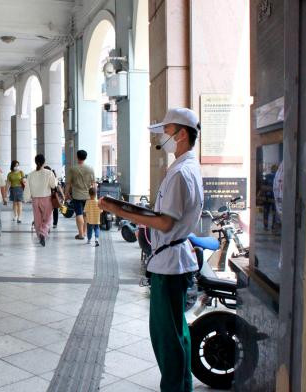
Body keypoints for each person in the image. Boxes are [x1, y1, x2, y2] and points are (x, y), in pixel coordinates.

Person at [99, 108, 203, 392]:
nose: (163, 137)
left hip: (170, 264)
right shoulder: (186, 167)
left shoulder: (181, 172)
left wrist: (119, 211)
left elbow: (165, 222)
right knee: (176, 332)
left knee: (166, 336)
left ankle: (175, 387)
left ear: (182, 134)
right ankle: (181, 385)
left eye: (167, 131)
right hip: (171, 261)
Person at [24, 154, 57, 247]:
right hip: (46, 198)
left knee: (37, 219)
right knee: (47, 218)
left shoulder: (30, 175)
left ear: (35, 162)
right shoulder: (49, 172)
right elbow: (53, 185)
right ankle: (43, 233)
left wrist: (26, 198)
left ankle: (39, 235)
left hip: (35, 199)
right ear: (44, 162)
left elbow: (27, 188)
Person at [65, 150, 96, 240]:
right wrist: (94, 196)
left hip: (77, 195)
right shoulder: (90, 169)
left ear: (77, 157)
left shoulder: (73, 169)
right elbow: (94, 183)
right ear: (85, 157)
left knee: (79, 213)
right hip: (88, 196)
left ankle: (80, 234)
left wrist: (66, 193)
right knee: (85, 214)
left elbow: (68, 183)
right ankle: (85, 232)